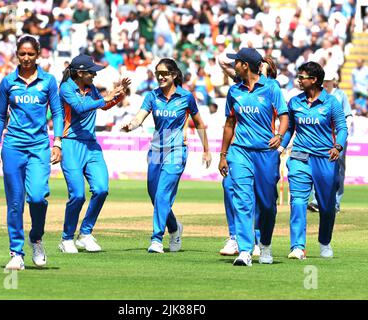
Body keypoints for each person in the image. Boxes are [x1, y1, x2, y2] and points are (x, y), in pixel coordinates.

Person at [0, 35, 64, 270]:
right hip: (13, 146)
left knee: (37, 197)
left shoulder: (49, 81)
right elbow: (0, 116)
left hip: (39, 146)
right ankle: (16, 253)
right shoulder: (8, 82)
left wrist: (58, 142)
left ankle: (37, 238)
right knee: (14, 203)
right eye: (22, 53)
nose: (26, 58)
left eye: (31, 54)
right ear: (16, 54)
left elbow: (58, 113)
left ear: (38, 54)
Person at [122, 58, 211, 253]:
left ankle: (156, 239)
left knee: (162, 194)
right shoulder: (152, 96)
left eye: (164, 73)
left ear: (174, 75)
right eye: (158, 74)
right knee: (155, 196)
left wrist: (206, 150)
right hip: (156, 150)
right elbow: (140, 117)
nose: (161, 77)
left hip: (177, 151)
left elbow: (199, 123)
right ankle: (174, 227)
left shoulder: (186, 97)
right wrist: (131, 125)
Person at [218, 48, 288, 266]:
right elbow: (229, 123)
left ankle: (265, 244)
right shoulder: (234, 91)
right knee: (242, 199)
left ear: (244, 65)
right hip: (239, 152)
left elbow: (284, 116)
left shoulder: (271, 87)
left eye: (235, 62)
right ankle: (245, 250)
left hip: (266, 153)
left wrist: (279, 135)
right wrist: (223, 155)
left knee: (267, 204)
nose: (233, 66)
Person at [57, 54, 130, 253]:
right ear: (80, 73)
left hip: (91, 144)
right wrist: (105, 97)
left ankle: (85, 233)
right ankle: (66, 238)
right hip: (71, 144)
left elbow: (103, 105)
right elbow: (80, 108)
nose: (94, 75)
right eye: (91, 72)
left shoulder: (91, 88)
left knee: (101, 189)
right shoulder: (66, 88)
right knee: (78, 195)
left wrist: (119, 94)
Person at [281, 62, 348, 260]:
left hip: (325, 159)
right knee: (298, 201)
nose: (299, 80)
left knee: (326, 206)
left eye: (302, 77)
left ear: (315, 80)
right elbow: (290, 129)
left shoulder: (331, 102)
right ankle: (298, 247)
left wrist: (338, 147)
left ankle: (325, 241)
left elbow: (342, 128)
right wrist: (279, 147)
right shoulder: (294, 102)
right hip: (299, 157)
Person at [307, 71, 352, 214]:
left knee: (338, 170)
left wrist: (342, 137)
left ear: (333, 80)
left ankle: (336, 203)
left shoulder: (340, 95)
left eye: (328, 81)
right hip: (323, 138)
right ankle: (316, 201)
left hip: (338, 139)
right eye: (324, 81)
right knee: (318, 167)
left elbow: (348, 117)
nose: (325, 83)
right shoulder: (319, 95)